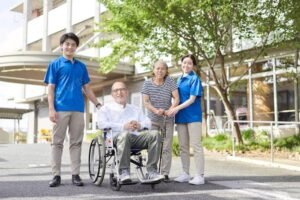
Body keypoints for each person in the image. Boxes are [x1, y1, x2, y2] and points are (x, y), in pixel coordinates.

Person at [44, 32, 102, 187]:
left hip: (78, 109)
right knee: (57, 143)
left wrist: (97, 104)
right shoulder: (55, 65)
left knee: (76, 143)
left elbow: (87, 88)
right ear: (62, 46)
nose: (70, 47)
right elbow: (50, 89)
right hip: (60, 109)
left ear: (76, 47)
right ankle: (56, 176)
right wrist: (51, 109)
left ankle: (75, 175)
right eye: (67, 44)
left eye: (73, 44)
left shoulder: (81, 67)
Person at [97, 81, 164, 182]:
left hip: (135, 138)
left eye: (122, 89)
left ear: (127, 92)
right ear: (112, 94)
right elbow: (101, 124)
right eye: (116, 90)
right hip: (114, 139)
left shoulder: (135, 109)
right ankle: (123, 171)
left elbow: (148, 122)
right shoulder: (105, 109)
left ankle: (152, 171)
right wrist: (123, 126)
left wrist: (139, 125)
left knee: (155, 134)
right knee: (125, 134)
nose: (119, 92)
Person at [167, 54, 205, 185]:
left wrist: (176, 108)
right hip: (181, 116)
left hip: (193, 116)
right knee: (183, 146)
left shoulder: (195, 79)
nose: (186, 65)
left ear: (193, 65)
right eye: (184, 63)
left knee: (196, 146)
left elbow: (192, 99)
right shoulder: (178, 80)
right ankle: (185, 173)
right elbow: (176, 97)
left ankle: (200, 175)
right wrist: (172, 108)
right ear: (181, 64)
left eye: (189, 63)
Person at [141, 60, 179, 182]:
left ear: (166, 71)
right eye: (157, 68)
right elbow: (146, 102)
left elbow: (177, 98)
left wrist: (171, 109)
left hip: (168, 119)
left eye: (162, 69)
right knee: (154, 146)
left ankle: (165, 173)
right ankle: (152, 171)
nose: (160, 71)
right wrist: (155, 110)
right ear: (153, 70)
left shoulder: (170, 81)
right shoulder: (147, 83)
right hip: (153, 119)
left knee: (167, 146)